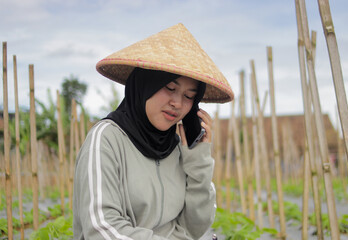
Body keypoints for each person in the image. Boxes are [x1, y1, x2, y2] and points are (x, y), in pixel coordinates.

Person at [73, 23, 234, 240]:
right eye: (170, 88)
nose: (177, 103)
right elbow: (102, 229)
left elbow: (193, 229)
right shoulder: (106, 139)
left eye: (188, 96)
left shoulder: (178, 148)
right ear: (144, 85)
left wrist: (198, 162)